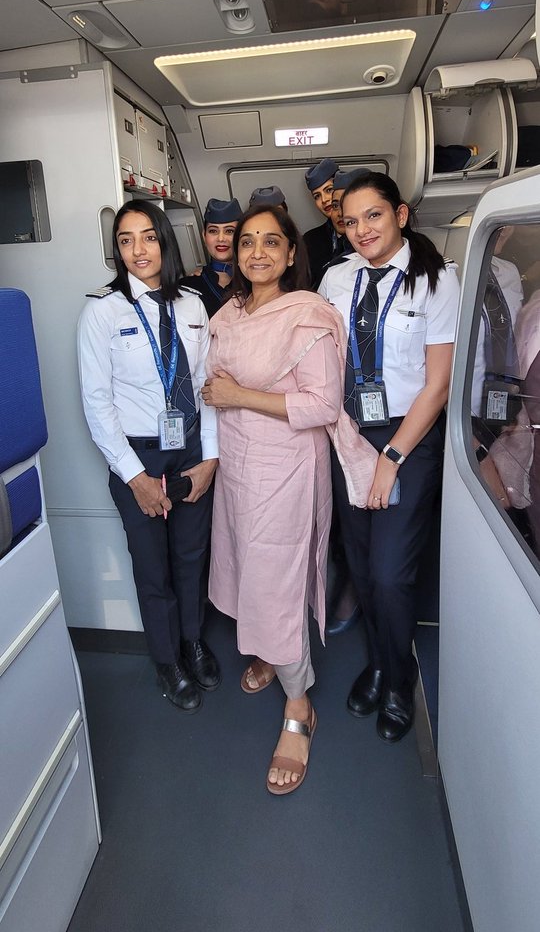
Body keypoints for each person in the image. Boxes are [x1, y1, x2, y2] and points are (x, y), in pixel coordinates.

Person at [202, 205, 376, 794]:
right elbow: (212, 389)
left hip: (285, 468)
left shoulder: (307, 315)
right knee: (249, 570)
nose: (255, 253)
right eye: (245, 242)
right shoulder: (225, 314)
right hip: (238, 468)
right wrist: (224, 400)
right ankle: (270, 653)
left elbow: (321, 407)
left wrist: (239, 394)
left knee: (276, 576)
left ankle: (299, 706)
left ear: (290, 252)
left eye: (269, 243)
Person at [320, 171, 460, 742]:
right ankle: (378, 663)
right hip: (349, 435)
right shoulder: (334, 278)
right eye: (350, 222)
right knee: (358, 561)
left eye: (373, 216)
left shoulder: (435, 281)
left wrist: (393, 455)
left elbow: (439, 383)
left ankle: (400, 681)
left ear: (400, 215)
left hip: (409, 436)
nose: (361, 231)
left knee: (391, 573)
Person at [77, 199, 220, 713]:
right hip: (135, 454)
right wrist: (135, 476)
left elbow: (208, 388)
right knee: (152, 564)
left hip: (190, 448)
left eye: (148, 237)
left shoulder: (191, 304)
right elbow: (97, 403)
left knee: (190, 556)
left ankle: (192, 641)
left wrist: (211, 459)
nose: (138, 250)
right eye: (125, 240)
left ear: (164, 239)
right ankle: (166, 659)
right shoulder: (102, 311)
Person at [180, 197, 242, 319]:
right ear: (204, 236)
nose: (221, 238)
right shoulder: (187, 287)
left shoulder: (254, 283)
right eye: (213, 231)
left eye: (229, 231)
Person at [303, 157, 338, 291]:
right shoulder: (310, 240)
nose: (324, 200)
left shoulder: (361, 235)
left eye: (329, 190)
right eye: (317, 196)